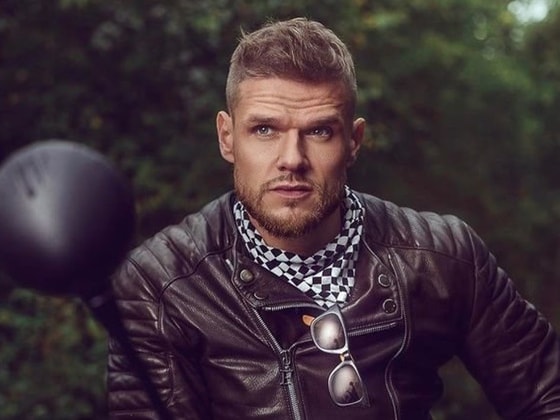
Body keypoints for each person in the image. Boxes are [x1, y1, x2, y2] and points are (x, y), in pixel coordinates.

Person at [107, 17, 560, 419]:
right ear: (227, 137)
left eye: (319, 131)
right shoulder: (162, 286)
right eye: (264, 130)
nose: (292, 159)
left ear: (353, 141)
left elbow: (548, 397)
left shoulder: (441, 257)